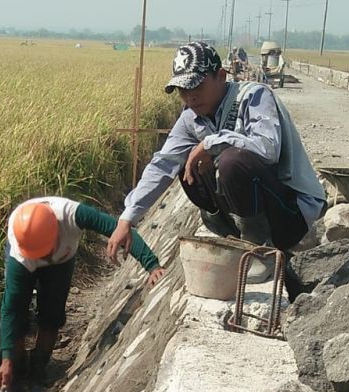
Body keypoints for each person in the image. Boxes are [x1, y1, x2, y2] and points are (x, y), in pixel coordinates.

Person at [106, 41, 325, 299]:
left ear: (221, 76)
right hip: (253, 213)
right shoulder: (191, 118)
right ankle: (234, 237)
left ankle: (260, 252)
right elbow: (162, 164)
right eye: (183, 90)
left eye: (197, 86)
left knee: (232, 161)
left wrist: (211, 143)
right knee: (186, 165)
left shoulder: (254, 96)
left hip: (290, 213)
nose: (190, 97)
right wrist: (127, 219)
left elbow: (268, 149)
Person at [0, 198, 164, 392]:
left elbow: (120, 228)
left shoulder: (71, 214)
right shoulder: (21, 246)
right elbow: (11, 310)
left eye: (46, 252)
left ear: (57, 232)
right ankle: (15, 378)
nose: (43, 259)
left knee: (52, 314)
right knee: (18, 316)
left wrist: (152, 265)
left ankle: (38, 376)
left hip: (62, 261)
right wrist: (6, 359)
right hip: (24, 259)